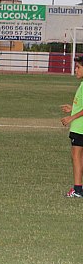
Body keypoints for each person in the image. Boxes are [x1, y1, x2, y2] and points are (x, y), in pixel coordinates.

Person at [60, 55, 83, 198]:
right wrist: (72, 109)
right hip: (79, 126)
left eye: (79, 67)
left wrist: (71, 117)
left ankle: (77, 189)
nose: (76, 70)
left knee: (76, 156)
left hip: (79, 127)